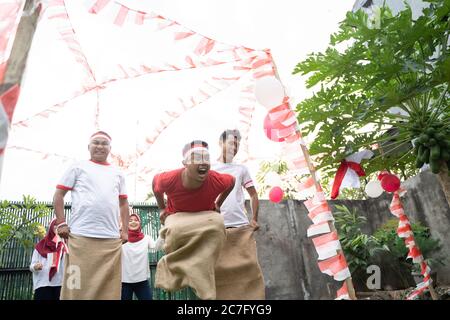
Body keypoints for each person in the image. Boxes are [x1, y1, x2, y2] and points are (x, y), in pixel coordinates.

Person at [152, 140, 235, 300]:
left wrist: (218, 203)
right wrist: (162, 208)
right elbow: (155, 185)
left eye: (206, 158)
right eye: (196, 158)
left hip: (205, 215)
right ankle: (173, 264)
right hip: (177, 215)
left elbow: (231, 182)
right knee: (175, 231)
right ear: (185, 163)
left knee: (218, 222)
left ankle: (203, 266)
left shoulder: (216, 179)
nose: (203, 162)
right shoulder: (169, 178)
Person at [53, 131, 129, 300]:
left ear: (110, 148)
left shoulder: (118, 173)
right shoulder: (77, 167)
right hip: (80, 236)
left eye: (104, 143)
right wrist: (61, 223)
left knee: (109, 288)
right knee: (75, 283)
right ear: (89, 147)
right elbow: (58, 195)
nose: (100, 146)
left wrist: (125, 231)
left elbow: (123, 203)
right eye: (96, 143)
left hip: (110, 239)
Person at [212, 129, 265, 299]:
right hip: (216, 228)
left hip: (241, 228)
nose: (235, 146)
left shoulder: (241, 169)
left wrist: (254, 219)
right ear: (221, 143)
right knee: (218, 274)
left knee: (250, 272)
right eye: (231, 142)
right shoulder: (210, 168)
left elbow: (254, 194)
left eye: (237, 143)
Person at [121, 212, 156, 300]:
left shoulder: (146, 238)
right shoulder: (121, 239)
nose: (133, 222)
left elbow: (156, 247)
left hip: (142, 281)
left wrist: (164, 232)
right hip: (124, 281)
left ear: (140, 223)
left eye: (136, 220)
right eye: (130, 220)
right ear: (126, 224)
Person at [29, 219, 66, 300]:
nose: (57, 227)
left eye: (60, 225)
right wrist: (35, 266)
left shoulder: (65, 245)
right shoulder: (40, 246)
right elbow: (31, 266)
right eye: (55, 225)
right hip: (43, 285)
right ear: (51, 228)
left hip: (61, 285)